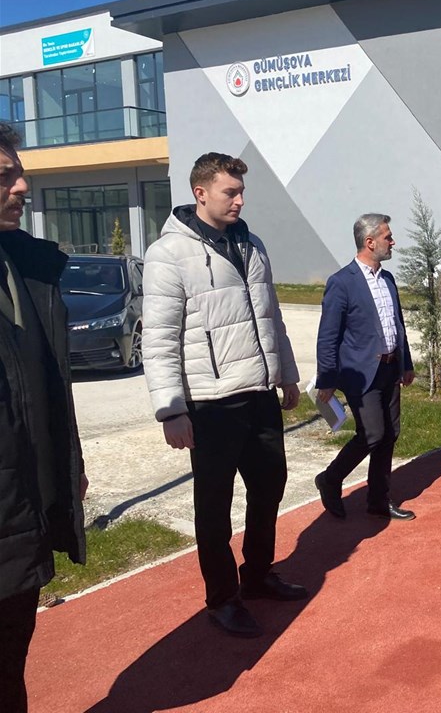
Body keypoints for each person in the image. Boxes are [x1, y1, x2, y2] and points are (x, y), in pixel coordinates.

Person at [142, 152, 306, 639]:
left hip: (259, 394)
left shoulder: (252, 244)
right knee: (214, 507)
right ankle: (222, 598)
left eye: (241, 191)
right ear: (200, 193)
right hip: (210, 403)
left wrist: (287, 374)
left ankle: (256, 574)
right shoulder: (169, 253)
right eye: (229, 192)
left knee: (270, 486)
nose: (239, 200)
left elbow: (271, 316)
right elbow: (159, 338)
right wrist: (171, 410)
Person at [0, 122, 88, 712]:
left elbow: (48, 384)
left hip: (24, 510)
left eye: (19, 173)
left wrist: (69, 461)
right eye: (4, 176)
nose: (23, 187)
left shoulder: (28, 266)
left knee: (11, 669)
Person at [313, 213, 416, 522]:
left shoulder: (388, 279)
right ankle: (330, 479)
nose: (392, 242)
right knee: (372, 434)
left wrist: (406, 363)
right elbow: (328, 335)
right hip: (361, 373)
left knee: (390, 433)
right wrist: (327, 379)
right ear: (370, 242)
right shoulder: (342, 282)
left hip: (390, 369)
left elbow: (397, 325)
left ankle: (378, 499)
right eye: (388, 237)